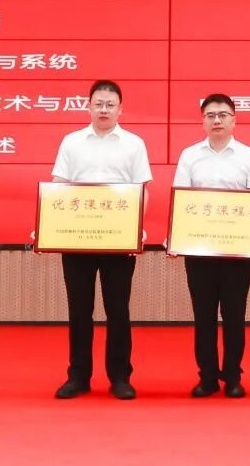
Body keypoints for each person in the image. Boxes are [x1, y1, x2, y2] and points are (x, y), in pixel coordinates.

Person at [50, 80, 152, 400]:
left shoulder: (134, 144)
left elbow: (142, 190)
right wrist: (50, 225)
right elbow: (59, 186)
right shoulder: (72, 142)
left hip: (119, 240)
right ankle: (78, 376)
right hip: (76, 238)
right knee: (79, 309)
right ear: (88, 106)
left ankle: (120, 377)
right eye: (98, 103)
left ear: (120, 109)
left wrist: (135, 228)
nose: (104, 109)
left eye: (110, 104)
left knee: (118, 309)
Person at [172, 93, 250, 398]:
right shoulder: (190, 156)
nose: (217, 120)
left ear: (234, 119)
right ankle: (208, 377)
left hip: (237, 252)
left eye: (223, 114)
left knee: (235, 315)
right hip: (199, 250)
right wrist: (176, 238)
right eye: (210, 115)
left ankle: (233, 376)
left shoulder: (249, 156)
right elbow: (181, 199)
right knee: (204, 316)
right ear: (203, 121)